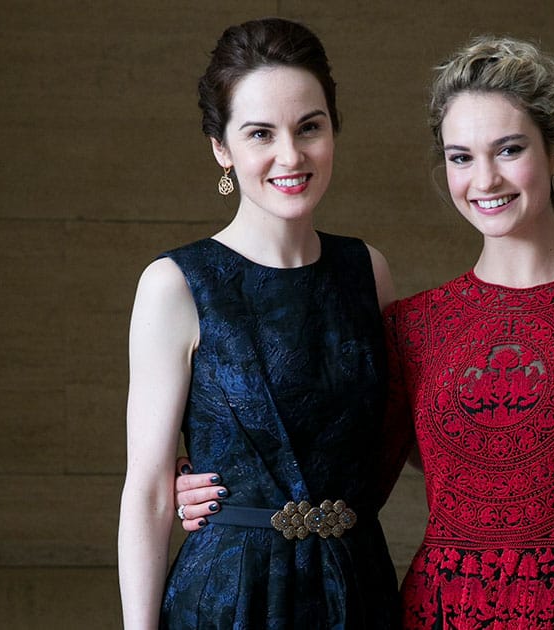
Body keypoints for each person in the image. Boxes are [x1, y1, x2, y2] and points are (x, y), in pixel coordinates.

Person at [176, 33, 554, 630]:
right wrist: (228, 490)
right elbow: (344, 467)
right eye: (461, 156)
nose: (485, 178)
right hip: (433, 613)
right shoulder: (415, 324)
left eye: (510, 149)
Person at [117, 17, 402, 629]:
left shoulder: (367, 270)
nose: (290, 155)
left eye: (309, 128)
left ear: (333, 129)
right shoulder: (175, 284)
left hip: (357, 589)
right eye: (260, 133)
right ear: (222, 148)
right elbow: (146, 491)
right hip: (230, 597)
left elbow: (418, 429)